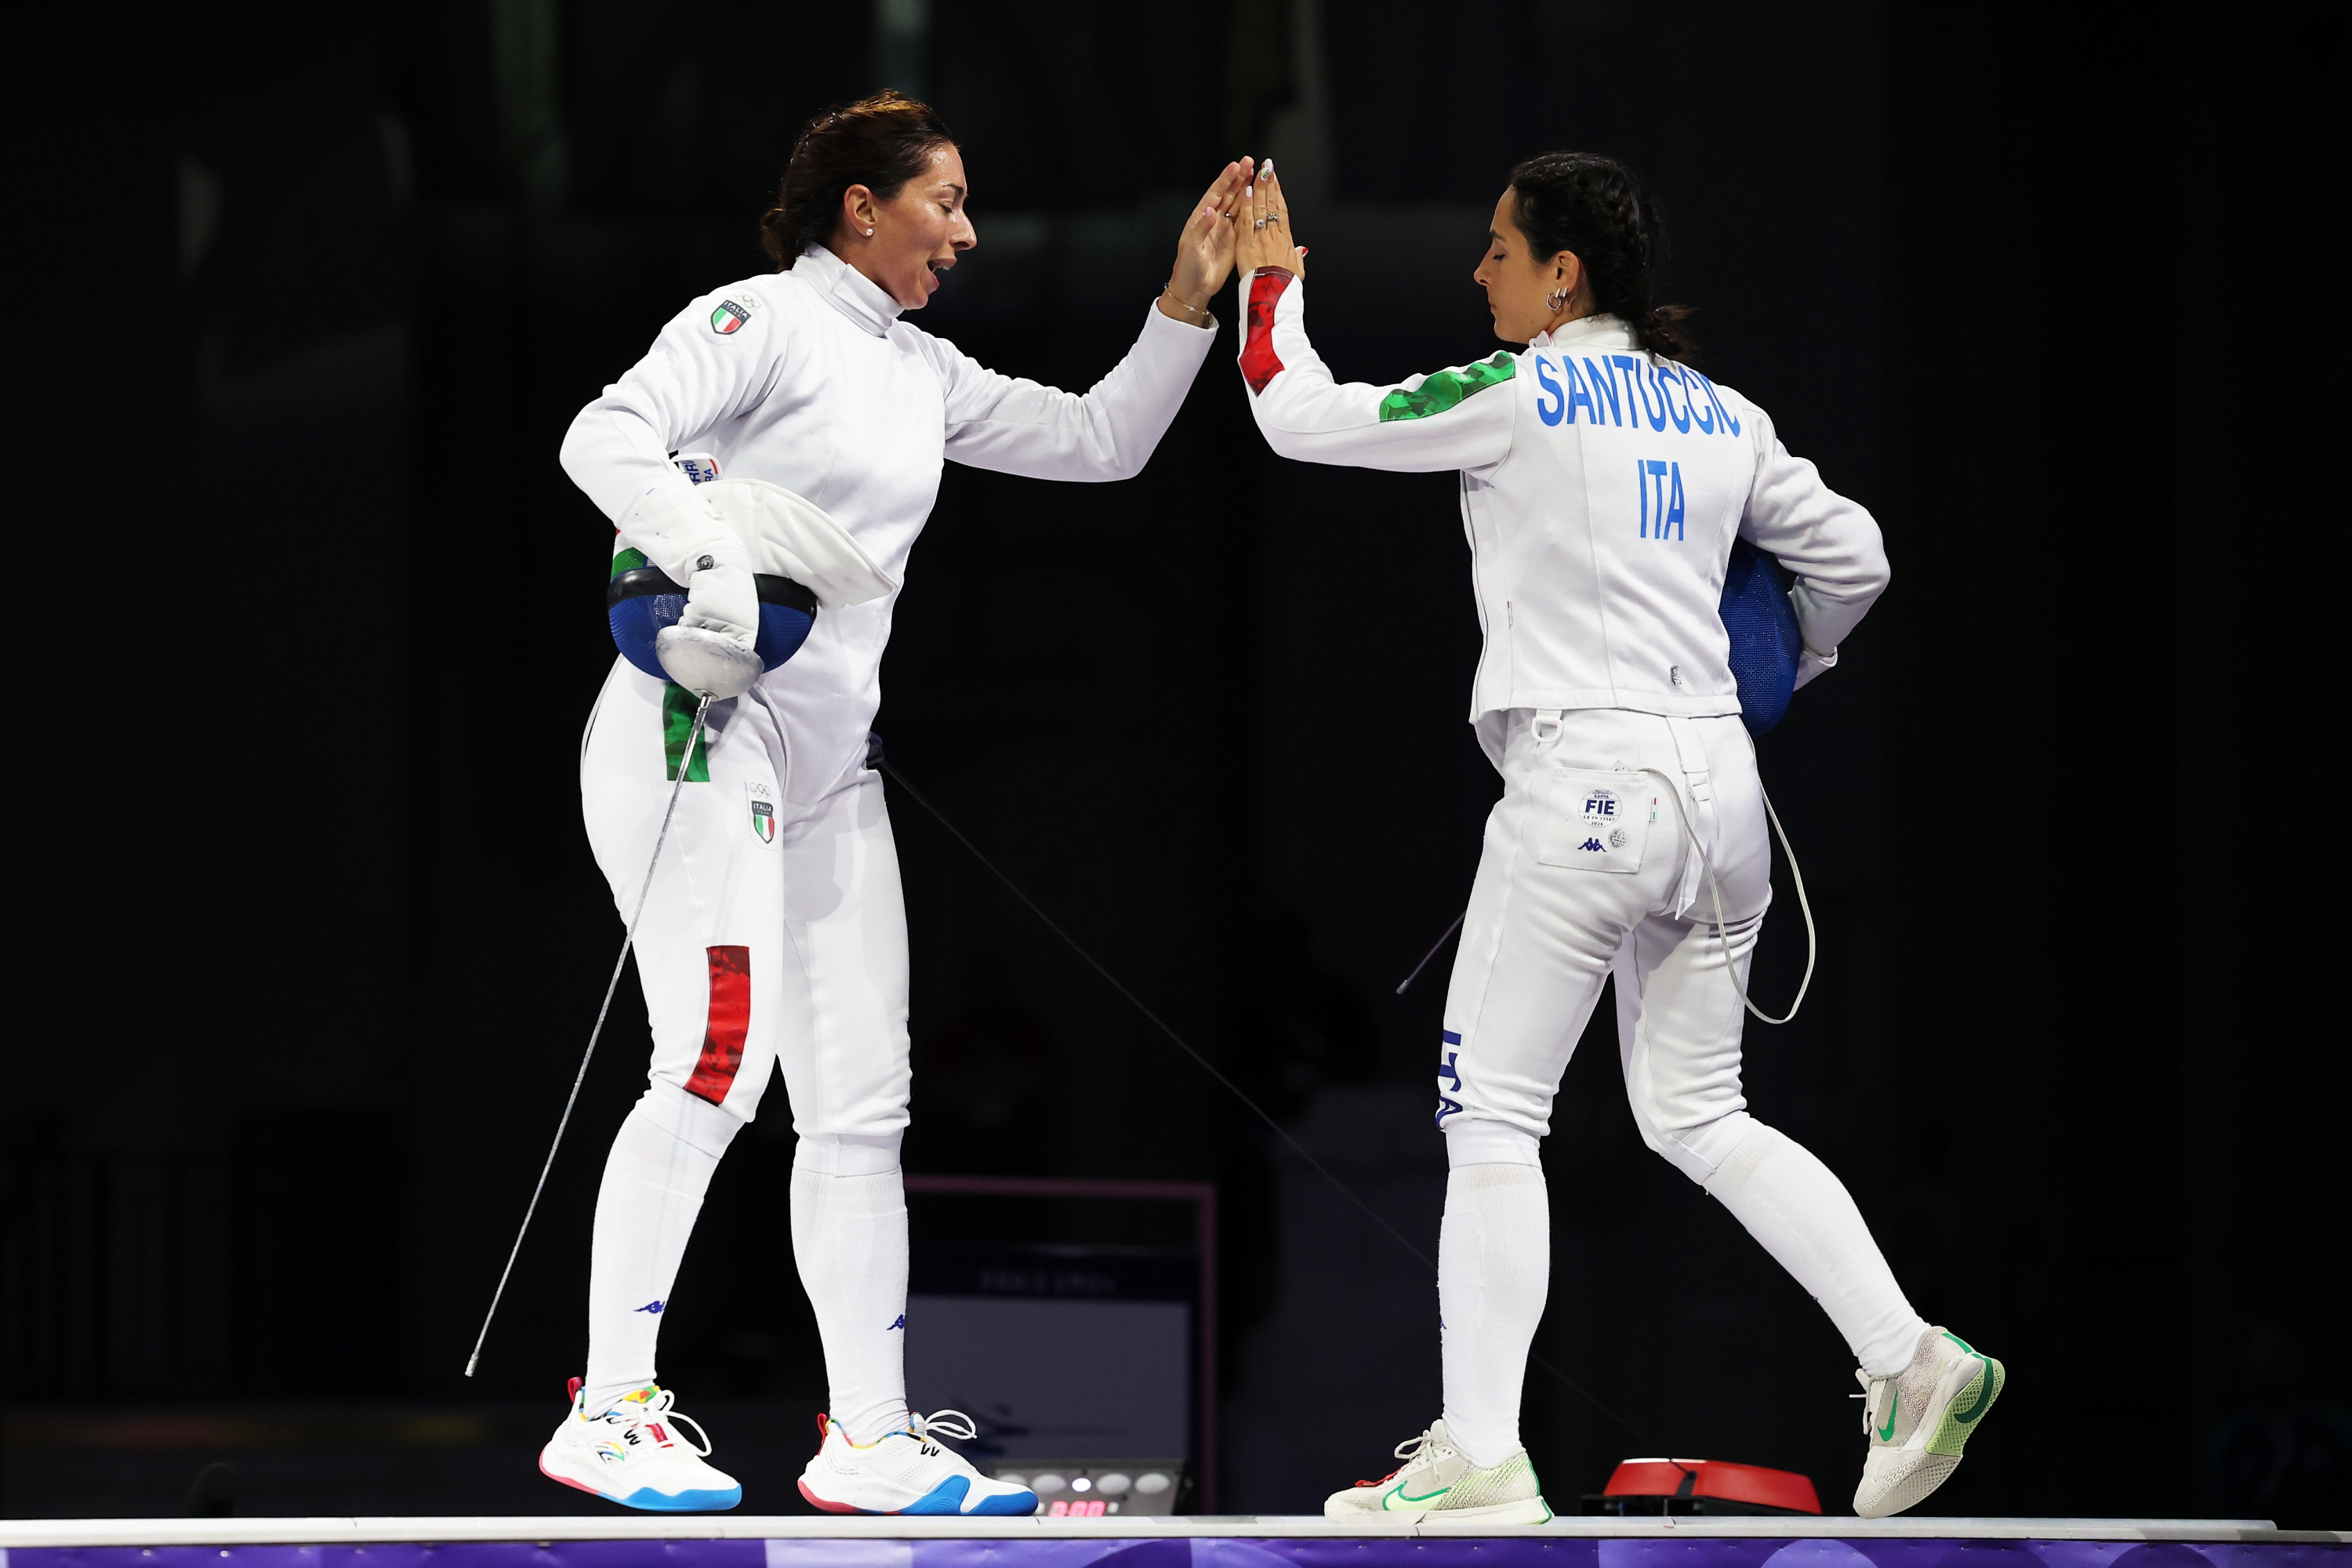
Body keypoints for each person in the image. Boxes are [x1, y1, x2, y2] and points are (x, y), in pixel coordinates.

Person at [1231, 154, 2002, 1523]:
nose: (1481, 273)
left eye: (1499, 251)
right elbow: (1860, 561)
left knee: (1492, 1119)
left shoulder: (1522, 390)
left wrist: (1268, 279)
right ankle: (1911, 1357)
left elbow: (1297, 415)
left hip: (1583, 784)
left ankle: (1479, 1455)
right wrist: (1786, 668)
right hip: (1721, 793)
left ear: (1564, 273)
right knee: (1702, 1113)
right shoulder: (1726, 413)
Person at [546, 91, 1252, 1515]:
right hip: (698, 734)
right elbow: (601, 435)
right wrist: (707, 550)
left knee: (863, 1108)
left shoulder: (916, 367)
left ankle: (866, 1436)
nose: (968, 231)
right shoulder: (758, 319)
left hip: (826, 780)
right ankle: (609, 1410)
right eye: (946, 201)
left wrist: (1187, 301)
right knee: (710, 1062)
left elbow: (1102, 441)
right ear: (862, 208)